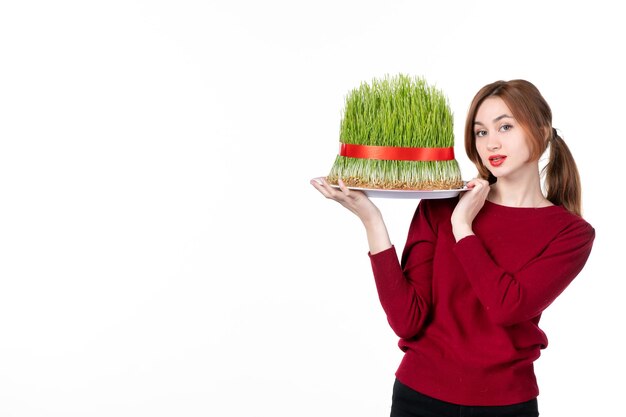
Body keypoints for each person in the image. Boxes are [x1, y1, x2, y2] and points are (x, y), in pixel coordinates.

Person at [310, 79, 595, 417]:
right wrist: (372, 220)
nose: (492, 143)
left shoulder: (570, 233)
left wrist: (463, 227)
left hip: (506, 406)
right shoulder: (439, 205)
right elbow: (407, 321)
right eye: (480, 132)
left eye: (505, 126)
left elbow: (505, 307)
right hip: (417, 398)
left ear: (543, 130)